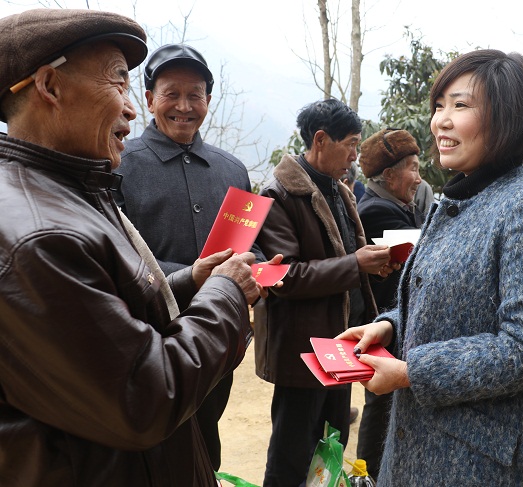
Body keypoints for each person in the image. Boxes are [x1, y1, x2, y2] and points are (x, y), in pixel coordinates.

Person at [0, 9, 270, 486]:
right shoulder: (37, 237)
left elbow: (113, 307)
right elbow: (146, 397)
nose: (129, 109)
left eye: (197, 95)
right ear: (49, 85)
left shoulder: (71, 189)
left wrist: (193, 280)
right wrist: (225, 293)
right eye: (118, 83)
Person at [338, 49, 523, 485]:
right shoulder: (459, 196)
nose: (440, 121)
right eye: (440, 105)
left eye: (461, 105)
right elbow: (443, 300)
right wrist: (390, 325)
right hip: (421, 446)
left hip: (484, 462)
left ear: (508, 119)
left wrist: (412, 372)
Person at [113, 43, 259, 470]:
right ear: (148, 99)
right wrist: (199, 276)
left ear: (209, 101)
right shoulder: (119, 164)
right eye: (170, 94)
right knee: (156, 453)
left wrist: (260, 271)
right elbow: (116, 257)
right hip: (149, 341)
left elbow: (249, 245)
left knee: (207, 439)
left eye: (195, 95)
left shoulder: (232, 170)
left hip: (221, 339)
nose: (183, 106)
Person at [254, 98, 394, 487]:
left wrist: (374, 266)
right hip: (304, 351)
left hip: (341, 344)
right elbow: (282, 276)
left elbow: (347, 259)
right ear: (320, 139)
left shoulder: (338, 190)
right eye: (350, 143)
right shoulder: (279, 194)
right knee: (291, 455)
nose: (355, 154)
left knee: (332, 446)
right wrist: (356, 264)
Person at [355, 128, 424, 480]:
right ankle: (366, 476)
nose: (419, 177)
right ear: (390, 175)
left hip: (393, 321)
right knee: (380, 408)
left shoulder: (398, 206)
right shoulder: (379, 210)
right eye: (412, 167)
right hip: (385, 324)